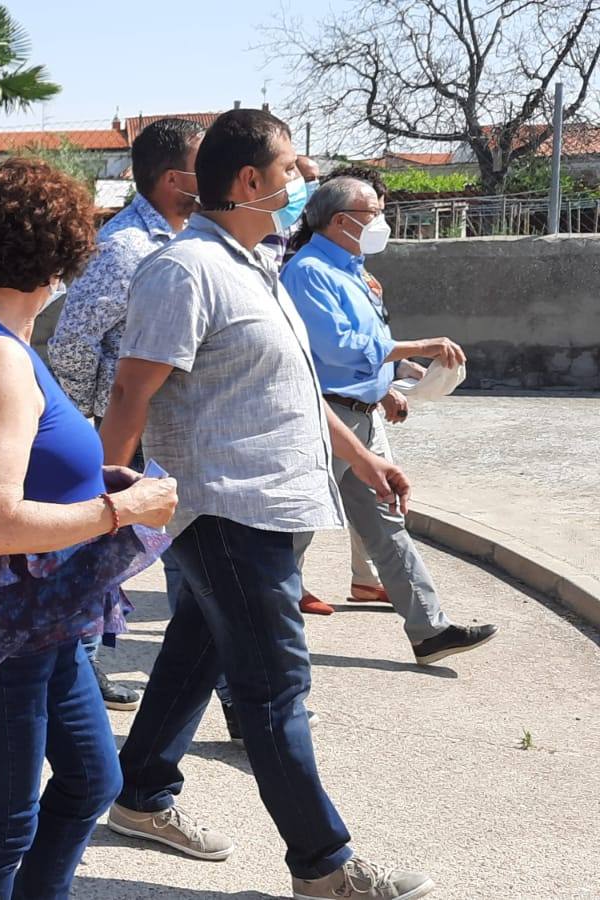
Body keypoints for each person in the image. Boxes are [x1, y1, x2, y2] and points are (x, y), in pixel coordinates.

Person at [98, 109, 435, 900]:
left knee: (198, 648)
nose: (299, 183)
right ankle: (324, 866)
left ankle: (138, 792)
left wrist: (362, 459)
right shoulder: (183, 271)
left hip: (275, 508)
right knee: (276, 688)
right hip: (225, 511)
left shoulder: (254, 263)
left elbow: (294, 387)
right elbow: (129, 389)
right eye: (289, 169)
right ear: (248, 181)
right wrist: (107, 505)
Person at [0, 158, 179, 898]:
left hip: (42, 608)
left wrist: (94, 482)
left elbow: (21, 464)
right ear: (53, 257)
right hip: (4, 608)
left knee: (92, 780)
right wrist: (127, 509)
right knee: (4, 819)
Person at [281, 176, 497, 664]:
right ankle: (255, 636)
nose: (381, 221)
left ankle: (430, 629)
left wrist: (399, 373)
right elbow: (336, 348)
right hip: (327, 417)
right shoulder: (310, 271)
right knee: (293, 532)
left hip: (358, 416)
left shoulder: (352, 269)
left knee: (387, 523)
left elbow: (367, 342)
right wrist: (415, 347)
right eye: (373, 212)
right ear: (341, 221)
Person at [46, 116, 204, 711]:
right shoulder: (126, 248)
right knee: (103, 562)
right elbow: (73, 341)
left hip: (176, 434)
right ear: (171, 179)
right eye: (201, 164)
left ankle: (238, 696)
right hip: (132, 437)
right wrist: (90, 429)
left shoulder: (192, 240)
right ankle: (77, 673)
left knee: (193, 576)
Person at [258, 154, 320, 272]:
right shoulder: (281, 221)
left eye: (318, 178)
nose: (316, 184)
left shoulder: (306, 218)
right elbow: (270, 272)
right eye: (310, 179)